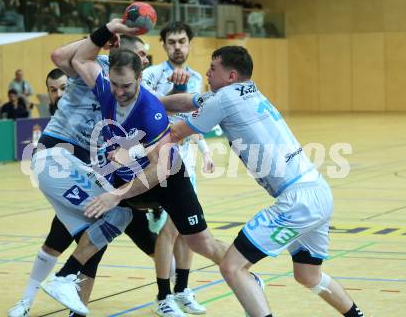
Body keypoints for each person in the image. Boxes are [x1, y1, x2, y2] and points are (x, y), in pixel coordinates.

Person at [160, 45, 366, 317]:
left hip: (297, 201)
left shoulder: (224, 100)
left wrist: (141, 122)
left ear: (231, 75)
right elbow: (190, 100)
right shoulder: (246, 90)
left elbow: (175, 133)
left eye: (213, 68)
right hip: (319, 192)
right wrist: (154, 101)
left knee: (231, 267)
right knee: (308, 275)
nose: (207, 72)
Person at [40, 18, 227, 315]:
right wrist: (110, 30)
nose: (118, 91)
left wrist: (202, 103)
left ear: (139, 78)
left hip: (168, 173)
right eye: (114, 84)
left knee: (197, 240)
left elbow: (162, 155)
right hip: (128, 171)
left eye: (125, 85)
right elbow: (72, 57)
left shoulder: (150, 106)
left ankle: (234, 273)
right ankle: (71, 279)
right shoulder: (109, 86)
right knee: (116, 217)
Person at [8, 36, 161, 317]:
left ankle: (169, 291)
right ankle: (31, 302)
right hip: (76, 173)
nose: (58, 93)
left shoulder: (131, 89)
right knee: (66, 240)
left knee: (123, 240)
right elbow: (64, 56)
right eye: (53, 90)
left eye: (61, 88)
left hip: (102, 177)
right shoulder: (94, 74)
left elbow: (151, 118)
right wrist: (104, 33)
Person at [142, 21, 212, 316]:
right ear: (164, 45)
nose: (177, 46)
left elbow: (191, 121)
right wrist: (176, 89)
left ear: (190, 43)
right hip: (158, 164)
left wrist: (205, 150)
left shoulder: (196, 78)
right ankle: (163, 296)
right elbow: (151, 114)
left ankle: (182, 290)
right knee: (169, 231)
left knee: (186, 232)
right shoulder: (149, 75)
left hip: (187, 164)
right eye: (171, 42)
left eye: (182, 41)